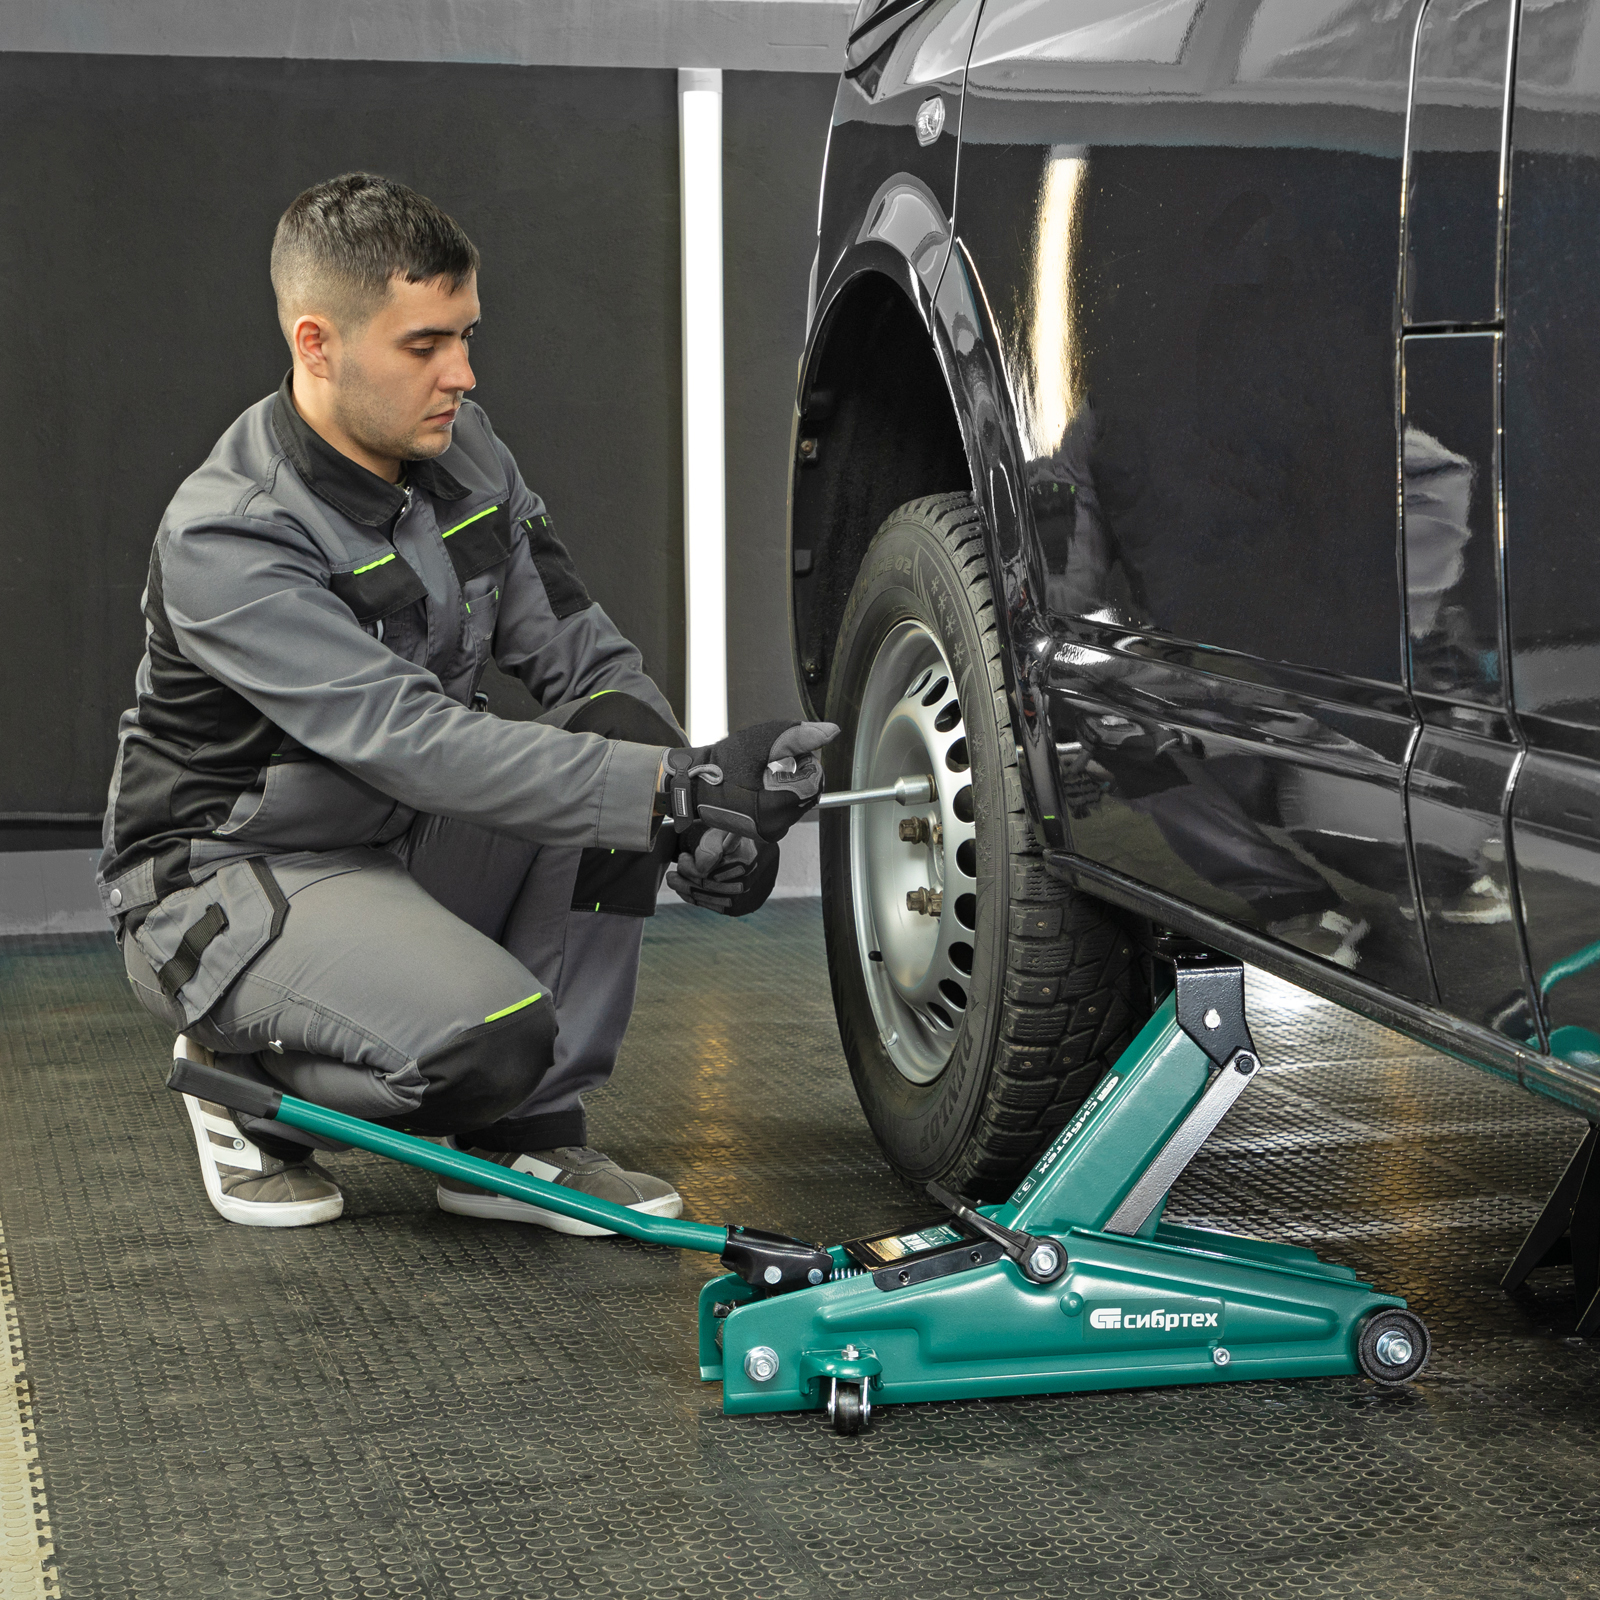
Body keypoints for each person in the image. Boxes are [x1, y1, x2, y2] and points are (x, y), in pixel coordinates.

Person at [98, 172, 835, 1231]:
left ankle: (524, 1139)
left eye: (466, 336)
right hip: (231, 879)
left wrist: (704, 811)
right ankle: (239, 1080)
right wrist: (675, 786)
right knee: (486, 1041)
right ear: (317, 344)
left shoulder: (464, 450)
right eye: (424, 346)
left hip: (398, 834)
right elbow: (408, 739)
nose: (462, 373)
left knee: (618, 745)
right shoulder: (231, 533)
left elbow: (586, 660)